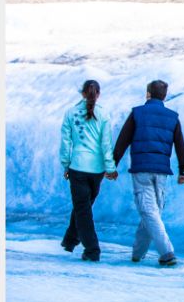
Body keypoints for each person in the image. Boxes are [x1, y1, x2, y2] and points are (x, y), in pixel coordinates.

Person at [112, 79, 184, 266]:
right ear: (165, 95)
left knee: (149, 212)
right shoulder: (172, 117)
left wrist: (112, 165)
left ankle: (167, 252)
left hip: (141, 170)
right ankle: (138, 253)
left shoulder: (137, 113)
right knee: (152, 212)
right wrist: (183, 171)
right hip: (161, 172)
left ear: (148, 94)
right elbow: (180, 145)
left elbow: (123, 140)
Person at [59, 79, 117, 262]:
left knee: (82, 208)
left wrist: (66, 165)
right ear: (98, 94)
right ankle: (70, 240)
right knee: (83, 206)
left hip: (77, 166)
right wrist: (110, 168)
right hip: (97, 169)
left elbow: (66, 143)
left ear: (82, 94)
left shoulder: (70, 113)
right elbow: (106, 145)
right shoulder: (104, 115)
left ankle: (92, 250)